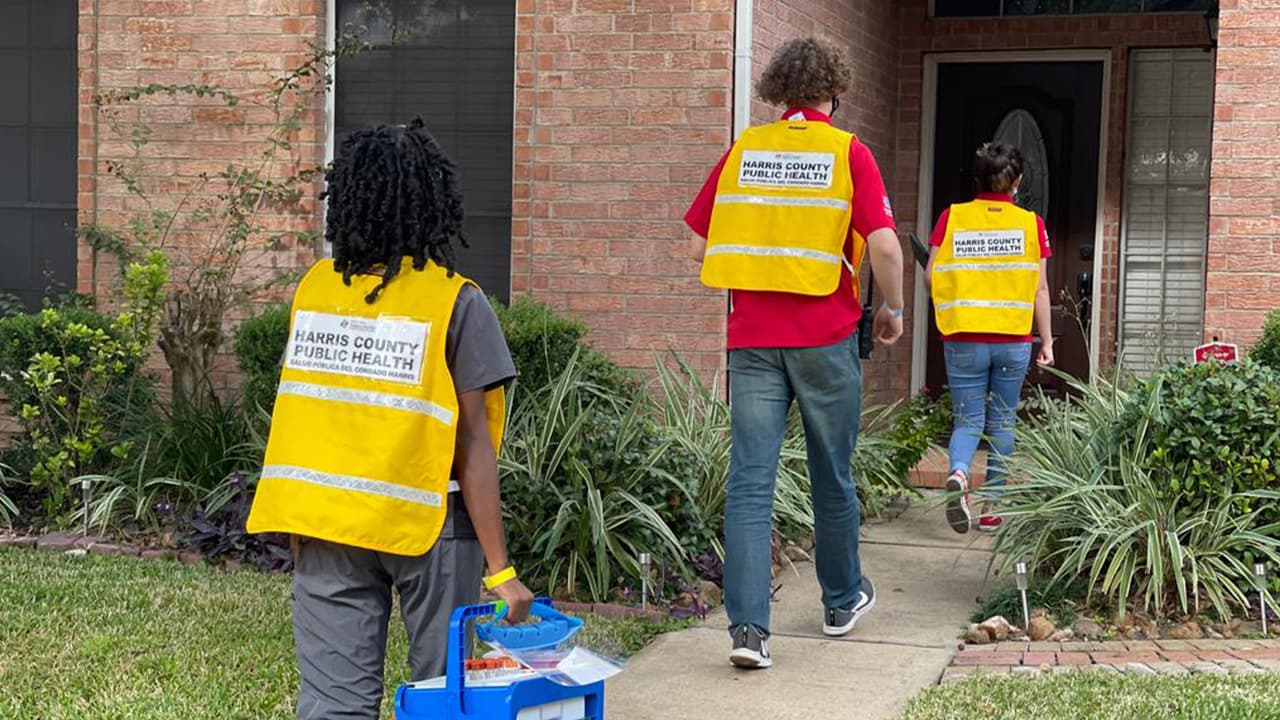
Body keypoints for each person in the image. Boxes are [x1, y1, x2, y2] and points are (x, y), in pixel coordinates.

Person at [245, 119, 535, 719]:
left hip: (329, 526)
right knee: (446, 697)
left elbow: (303, 411)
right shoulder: (455, 300)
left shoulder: (315, 291)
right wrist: (500, 570)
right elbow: (473, 444)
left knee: (333, 706)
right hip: (431, 528)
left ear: (347, 199)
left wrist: (297, 522)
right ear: (431, 202)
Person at [685, 36, 905, 670]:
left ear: (778, 93)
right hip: (826, 339)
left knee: (751, 484)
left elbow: (698, 250)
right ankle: (840, 601)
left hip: (753, 340)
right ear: (833, 93)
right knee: (830, 473)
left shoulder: (744, 150)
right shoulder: (848, 153)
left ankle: (749, 632)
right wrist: (890, 309)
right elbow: (886, 248)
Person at [925, 142, 1055, 535]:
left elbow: (932, 275)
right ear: (1017, 182)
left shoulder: (952, 218)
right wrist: (1046, 341)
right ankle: (992, 509)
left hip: (963, 335)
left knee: (967, 420)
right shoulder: (1032, 225)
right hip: (1013, 338)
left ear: (977, 179)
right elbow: (1041, 290)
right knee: (1002, 421)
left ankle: (961, 475)